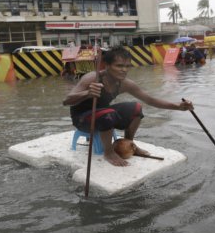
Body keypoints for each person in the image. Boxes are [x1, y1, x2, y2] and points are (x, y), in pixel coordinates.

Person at [63, 46, 194, 166]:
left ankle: (128, 144)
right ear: (107, 65)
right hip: (82, 119)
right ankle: (108, 153)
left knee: (136, 108)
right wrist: (87, 93)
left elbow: (150, 100)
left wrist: (178, 106)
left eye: (127, 66)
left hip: (103, 114)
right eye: (119, 66)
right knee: (107, 114)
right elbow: (66, 101)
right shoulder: (92, 78)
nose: (124, 70)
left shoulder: (125, 83)